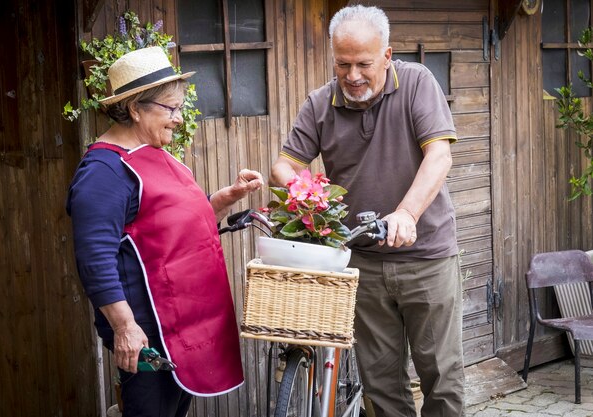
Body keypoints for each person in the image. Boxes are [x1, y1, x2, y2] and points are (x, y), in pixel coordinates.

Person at [270, 5, 464, 417]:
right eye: (343, 64)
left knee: (442, 380)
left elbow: (439, 157)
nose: (353, 75)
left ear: (387, 56)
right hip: (362, 262)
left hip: (426, 258)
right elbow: (284, 166)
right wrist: (307, 196)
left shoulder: (416, 84)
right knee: (381, 387)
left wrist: (407, 214)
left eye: (364, 64)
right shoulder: (320, 104)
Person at [66, 46, 264, 417]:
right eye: (170, 109)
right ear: (135, 108)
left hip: (186, 323)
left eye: (179, 108)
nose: (178, 118)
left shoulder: (154, 154)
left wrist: (226, 197)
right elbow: (95, 258)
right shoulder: (104, 172)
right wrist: (125, 327)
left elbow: (174, 224)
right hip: (150, 331)